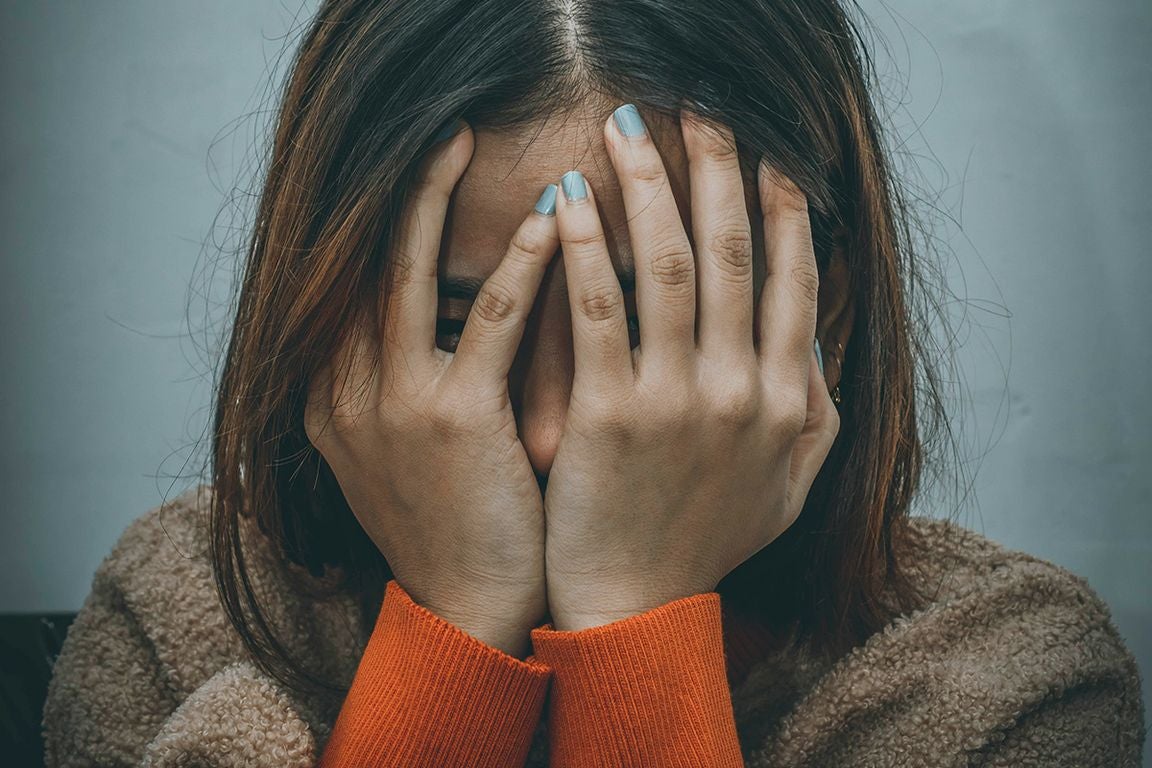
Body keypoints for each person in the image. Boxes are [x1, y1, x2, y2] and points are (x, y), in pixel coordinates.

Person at [42, 0, 1145, 765]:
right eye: (459, 327)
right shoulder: (184, 618)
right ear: (323, 307)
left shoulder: (1007, 679)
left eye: (656, 330)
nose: (550, 432)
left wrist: (635, 619)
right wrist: (455, 630)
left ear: (826, 305)